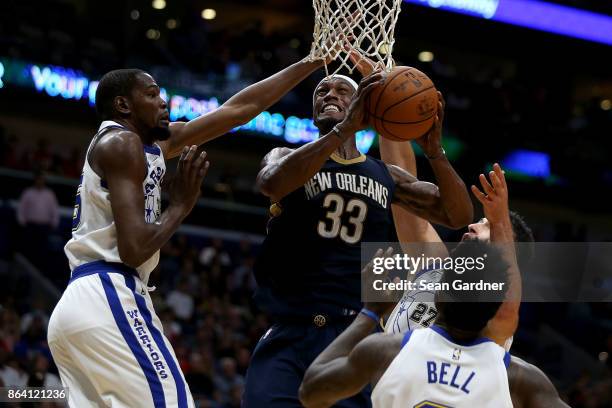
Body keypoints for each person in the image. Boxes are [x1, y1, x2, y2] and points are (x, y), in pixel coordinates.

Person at [47, 54, 329, 408]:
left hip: (80, 306)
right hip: (109, 290)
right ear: (123, 105)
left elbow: (241, 108)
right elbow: (134, 249)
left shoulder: (150, 146)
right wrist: (179, 205)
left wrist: (311, 63)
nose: (163, 101)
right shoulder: (122, 143)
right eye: (151, 94)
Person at [243, 68, 473, 406]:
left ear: (365, 107)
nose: (329, 94)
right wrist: (343, 129)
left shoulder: (385, 174)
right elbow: (272, 184)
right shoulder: (286, 157)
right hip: (289, 329)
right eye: (322, 91)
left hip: (351, 333)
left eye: (341, 90)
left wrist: (435, 152)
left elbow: (459, 215)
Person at [299, 239, 515, 408]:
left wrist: (370, 312)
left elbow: (311, 393)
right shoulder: (523, 381)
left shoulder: (384, 350)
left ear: (438, 294)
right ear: (495, 309)